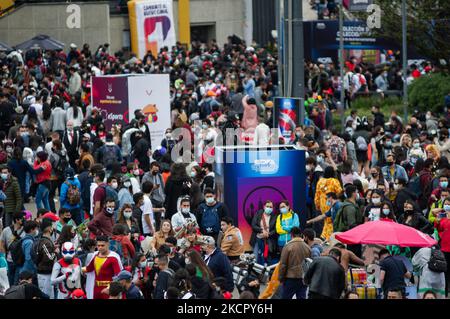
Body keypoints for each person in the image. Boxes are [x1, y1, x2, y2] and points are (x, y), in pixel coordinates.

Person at [278, 227, 311, 299]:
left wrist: (281, 278)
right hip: (303, 279)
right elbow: (309, 264)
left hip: (290, 278)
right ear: (300, 234)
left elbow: (283, 264)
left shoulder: (288, 246)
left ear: (291, 235)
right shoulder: (307, 247)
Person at [314, 166, 342, 239]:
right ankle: (329, 237)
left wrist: (317, 206)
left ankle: (324, 236)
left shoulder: (320, 181)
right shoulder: (334, 181)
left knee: (326, 220)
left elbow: (317, 194)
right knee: (331, 220)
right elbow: (340, 192)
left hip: (323, 203)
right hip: (332, 202)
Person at [0, 211, 25, 286]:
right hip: (9, 261)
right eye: (22, 219)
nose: (24, 220)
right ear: (17, 220)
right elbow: (1, 244)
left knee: (16, 282)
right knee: (9, 282)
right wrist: (4, 256)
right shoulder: (6, 230)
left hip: (20, 261)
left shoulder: (25, 230)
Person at [250, 200, 278, 265]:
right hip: (257, 239)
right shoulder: (258, 213)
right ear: (264, 206)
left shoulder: (275, 216)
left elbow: (276, 229)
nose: (269, 208)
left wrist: (269, 234)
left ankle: (266, 273)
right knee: (255, 257)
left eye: (271, 207)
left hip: (268, 241)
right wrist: (262, 230)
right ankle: (255, 273)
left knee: (266, 258)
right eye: (267, 206)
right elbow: (253, 225)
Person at [36, 219, 57, 299]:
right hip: (45, 274)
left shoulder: (43, 240)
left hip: (45, 273)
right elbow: (49, 258)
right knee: (47, 296)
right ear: (49, 229)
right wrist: (55, 252)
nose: (52, 229)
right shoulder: (46, 242)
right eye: (51, 227)